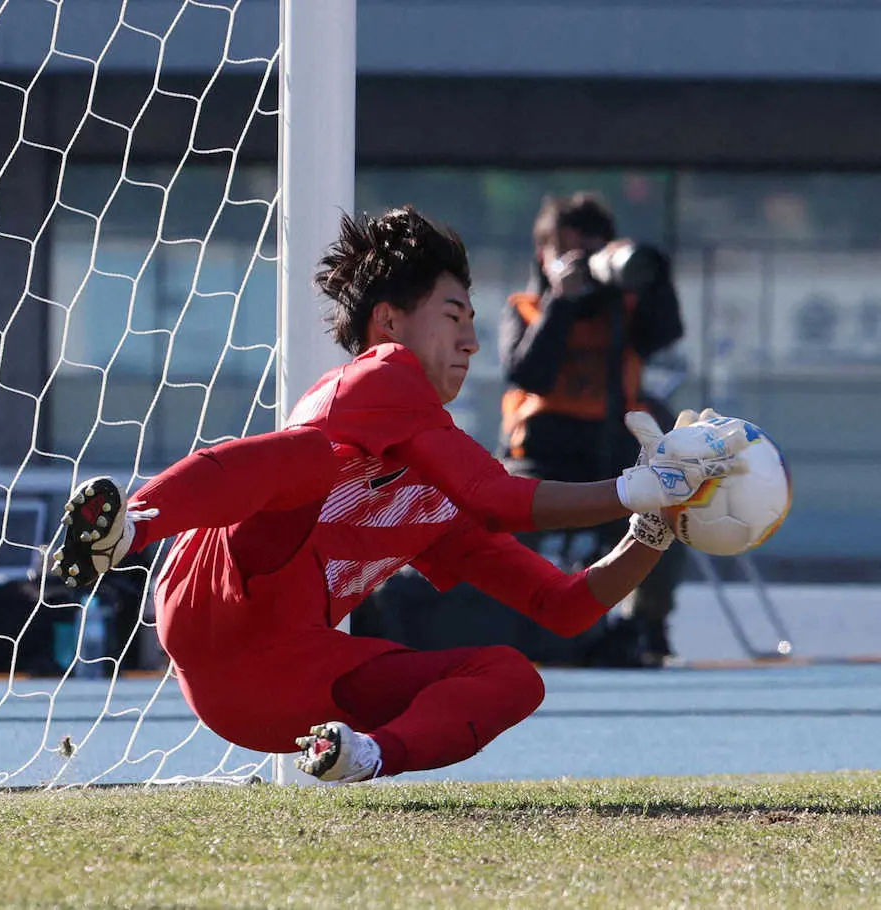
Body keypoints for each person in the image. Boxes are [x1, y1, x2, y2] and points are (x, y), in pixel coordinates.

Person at [51, 206, 743, 784]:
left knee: (513, 677)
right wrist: (639, 485)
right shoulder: (382, 374)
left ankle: (364, 756)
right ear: (388, 324)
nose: (472, 342)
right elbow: (499, 496)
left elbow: (561, 610)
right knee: (306, 458)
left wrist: (653, 525)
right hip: (214, 603)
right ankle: (130, 530)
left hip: (276, 689)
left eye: (472, 321)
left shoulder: (441, 492)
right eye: (453, 315)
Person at [499, 192, 686, 666]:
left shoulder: (624, 312)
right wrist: (562, 301)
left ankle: (646, 623)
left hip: (611, 454)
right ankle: (500, 623)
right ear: (542, 256)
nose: (578, 263)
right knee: (495, 522)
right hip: (536, 458)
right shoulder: (525, 308)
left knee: (673, 506)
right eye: (564, 251)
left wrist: (647, 275)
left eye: (588, 251)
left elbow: (666, 330)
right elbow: (528, 373)